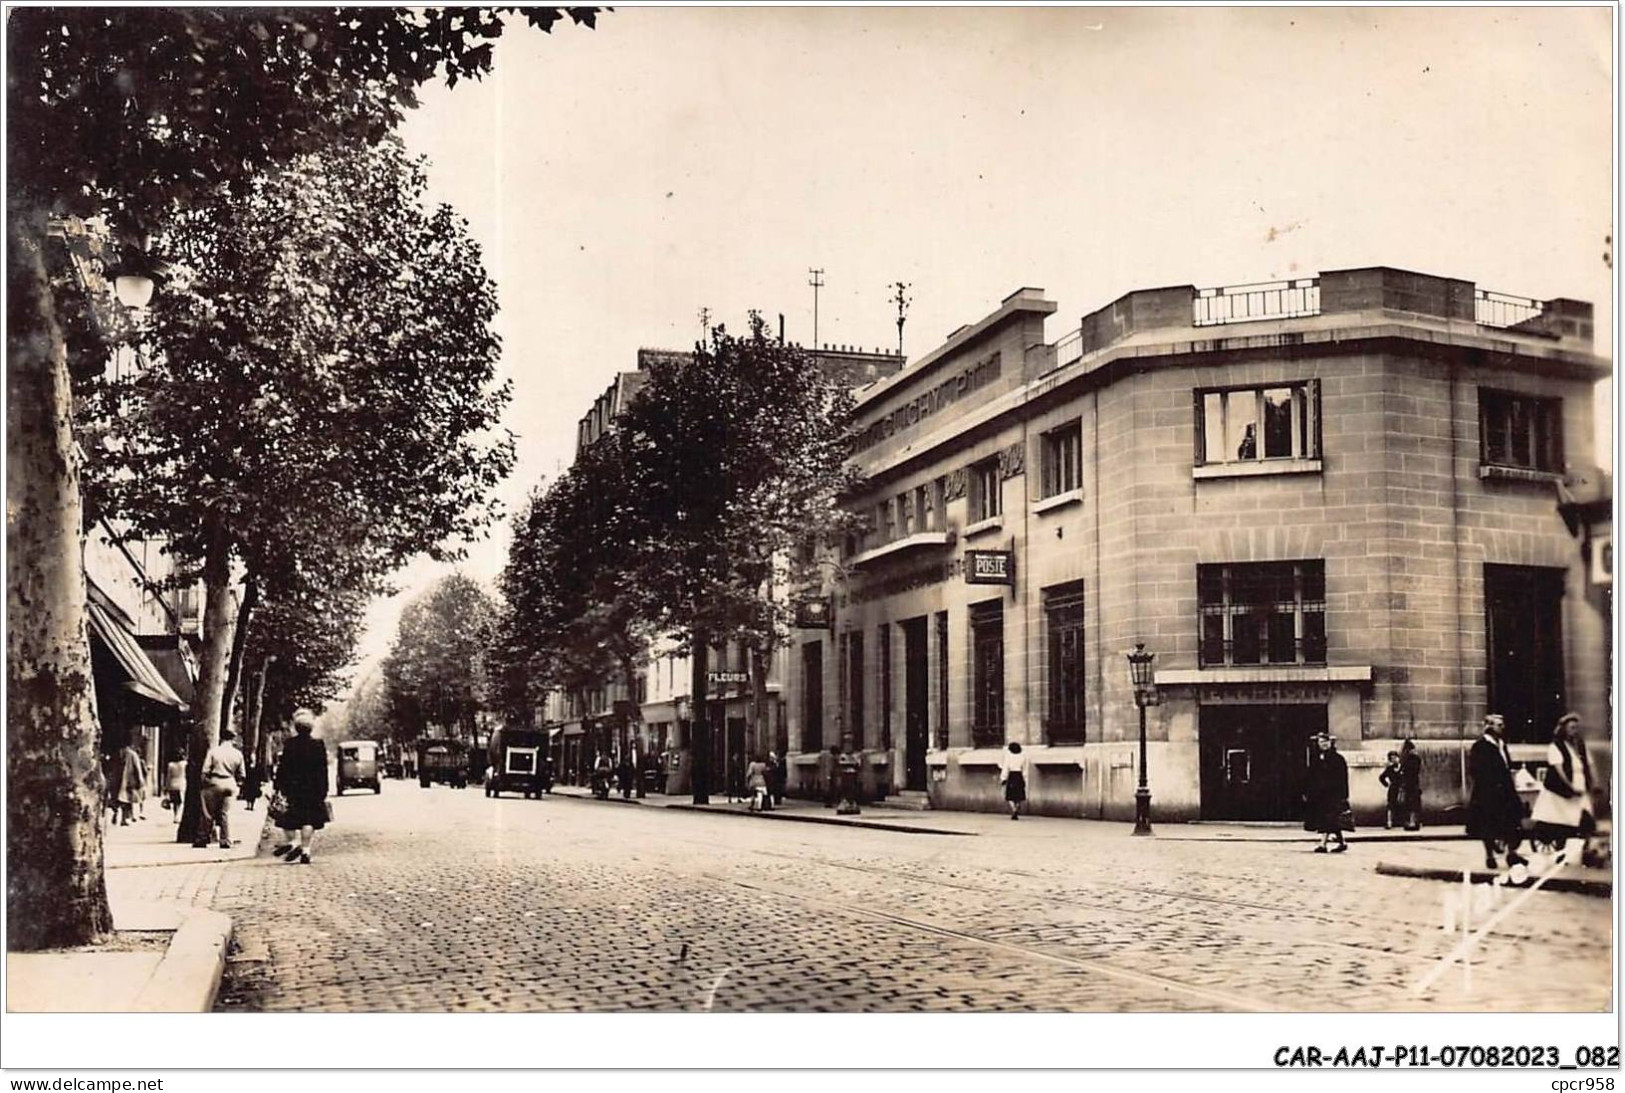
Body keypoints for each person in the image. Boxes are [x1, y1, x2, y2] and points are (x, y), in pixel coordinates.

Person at [1467, 713, 1527, 872]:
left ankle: (1512, 853)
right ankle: (1489, 856)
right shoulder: (1480, 746)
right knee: (1488, 824)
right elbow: (1475, 770)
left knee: (1513, 820)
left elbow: (1507, 765)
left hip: (1506, 790)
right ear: (1489, 727)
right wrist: (1489, 783)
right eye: (1498, 725)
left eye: (1502, 725)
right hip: (1488, 791)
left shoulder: (1501, 744)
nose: (1502, 727)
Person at [1531, 713, 1595, 855]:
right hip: (1561, 789)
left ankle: (1585, 847)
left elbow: (1588, 765)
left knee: (1586, 815)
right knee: (1561, 817)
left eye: (1577, 728)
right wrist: (1570, 787)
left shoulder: (1580, 746)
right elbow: (1560, 771)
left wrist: (1592, 783)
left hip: (1580, 783)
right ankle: (1563, 843)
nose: (1575, 731)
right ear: (1564, 729)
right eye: (1572, 728)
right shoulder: (1556, 747)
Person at [273, 711, 328, 864]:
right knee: (308, 820)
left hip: (293, 788)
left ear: (296, 728)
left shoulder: (290, 744)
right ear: (311, 728)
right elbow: (322, 769)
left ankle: (293, 842)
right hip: (312, 789)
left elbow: (283, 768)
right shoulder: (318, 745)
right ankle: (306, 850)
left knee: (289, 818)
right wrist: (323, 789)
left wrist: (278, 786)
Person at [195, 729, 246, 849]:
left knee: (208, 812)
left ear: (221, 738)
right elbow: (242, 774)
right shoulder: (237, 754)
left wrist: (205, 783)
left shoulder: (213, 752)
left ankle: (203, 838)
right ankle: (226, 840)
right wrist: (237, 784)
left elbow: (205, 771)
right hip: (230, 782)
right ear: (232, 739)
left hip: (215, 782)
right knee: (225, 813)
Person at [1304, 731, 1352, 852]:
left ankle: (1323, 844)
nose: (1324, 744)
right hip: (1320, 795)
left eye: (1326, 742)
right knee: (1332, 820)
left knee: (1328, 818)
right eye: (1321, 742)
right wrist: (1309, 791)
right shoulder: (1316, 758)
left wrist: (1344, 794)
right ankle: (1342, 843)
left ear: (1331, 743)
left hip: (1333, 795)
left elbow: (1343, 778)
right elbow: (1311, 776)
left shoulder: (1338, 759)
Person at [999, 741, 1029, 821]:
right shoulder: (1023, 756)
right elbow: (1025, 769)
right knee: (1018, 794)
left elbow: (1005, 767)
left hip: (1012, 775)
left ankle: (1013, 809)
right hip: (1019, 775)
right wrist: (1025, 778)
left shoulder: (1008, 756)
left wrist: (1003, 778)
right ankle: (1017, 805)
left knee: (1010, 795)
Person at [1398, 738, 1423, 831]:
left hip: (1409, 784)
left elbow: (1406, 771)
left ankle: (1411, 822)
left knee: (1409, 805)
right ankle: (1414, 822)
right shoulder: (1415, 758)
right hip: (1413, 784)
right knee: (1413, 805)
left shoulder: (1407, 759)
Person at [1377, 751, 1403, 829]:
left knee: (1402, 805)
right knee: (1391, 805)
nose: (1394, 760)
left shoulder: (1403, 768)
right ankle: (1389, 822)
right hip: (1393, 789)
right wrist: (1386, 784)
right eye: (1392, 759)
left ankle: (1401, 822)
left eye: (1395, 758)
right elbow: (1381, 777)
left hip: (1402, 789)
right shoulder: (1389, 769)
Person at [164, 751, 186, 824]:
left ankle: (175, 816)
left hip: (172, 785)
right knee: (181, 802)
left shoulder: (170, 765)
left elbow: (168, 777)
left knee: (174, 802)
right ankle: (178, 817)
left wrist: (166, 787)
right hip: (181, 784)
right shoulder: (184, 764)